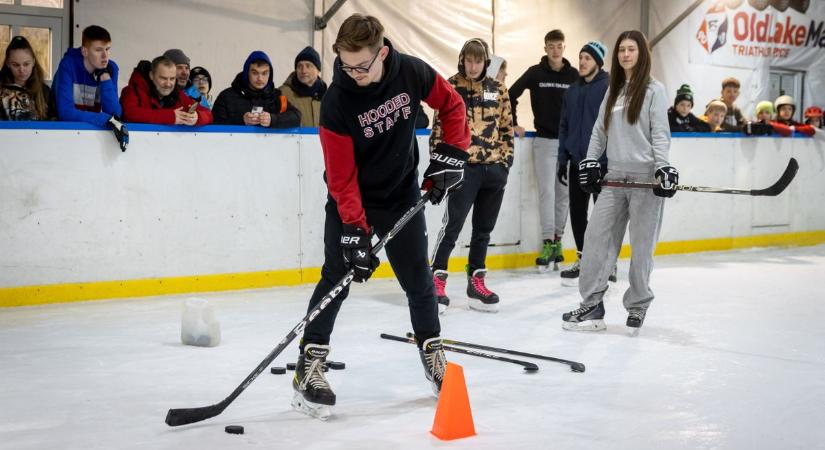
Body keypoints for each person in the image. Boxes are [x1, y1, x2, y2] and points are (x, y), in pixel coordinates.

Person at [292, 14, 470, 420]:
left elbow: (452, 104)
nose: (352, 73)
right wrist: (354, 229)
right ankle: (310, 364)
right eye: (345, 64)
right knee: (336, 278)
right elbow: (341, 176)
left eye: (361, 66)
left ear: (383, 53)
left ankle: (432, 351)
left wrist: (453, 153)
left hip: (401, 195)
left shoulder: (410, 71)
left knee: (419, 281)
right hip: (350, 201)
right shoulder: (337, 99)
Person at [561, 30, 677, 333]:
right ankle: (592, 305)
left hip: (645, 179)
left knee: (641, 247)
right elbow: (600, 130)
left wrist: (663, 168)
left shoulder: (654, 89)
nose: (626, 54)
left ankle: (638, 305)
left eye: (631, 49)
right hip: (614, 178)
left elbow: (660, 134)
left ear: (641, 53)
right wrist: (589, 160)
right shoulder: (613, 89)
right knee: (596, 239)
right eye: (622, 50)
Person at [429, 38, 513, 313]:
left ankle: (476, 283)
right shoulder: (450, 87)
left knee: (483, 231)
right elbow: (438, 130)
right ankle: (436, 280)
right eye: (469, 60)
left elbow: (506, 130)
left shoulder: (499, 89)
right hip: (463, 169)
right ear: (462, 60)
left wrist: (505, 164)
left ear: (485, 62)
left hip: (493, 171)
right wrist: (442, 167)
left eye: (478, 61)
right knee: (452, 227)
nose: (473, 66)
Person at [509, 29, 578, 271]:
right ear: (545, 48)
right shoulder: (535, 73)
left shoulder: (574, 75)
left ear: (564, 47)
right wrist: (513, 122)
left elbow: (585, 104)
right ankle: (547, 242)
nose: (555, 50)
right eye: (551, 46)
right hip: (545, 143)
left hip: (569, 145)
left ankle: (558, 242)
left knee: (564, 194)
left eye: (559, 46)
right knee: (547, 194)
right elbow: (510, 94)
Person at [557, 41, 611, 286]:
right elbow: (564, 126)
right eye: (580, 57)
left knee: (605, 217)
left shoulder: (610, 87)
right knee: (578, 214)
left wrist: (609, 159)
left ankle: (608, 263)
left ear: (598, 62)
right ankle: (583, 259)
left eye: (587, 58)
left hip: (602, 163)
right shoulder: (572, 91)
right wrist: (562, 159)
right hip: (577, 162)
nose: (582, 62)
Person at [52, 25, 127, 151]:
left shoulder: (111, 68)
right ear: (85, 51)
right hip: (64, 137)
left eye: (107, 49)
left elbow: (115, 114)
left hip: (93, 137)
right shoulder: (68, 64)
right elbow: (65, 112)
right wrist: (104, 119)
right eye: (98, 50)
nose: (105, 56)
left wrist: (105, 79)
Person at [212, 50, 301, 128]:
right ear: (246, 73)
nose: (260, 78)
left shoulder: (277, 96)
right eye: (255, 73)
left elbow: (296, 117)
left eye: (264, 73)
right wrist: (241, 120)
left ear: (270, 75)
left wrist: (273, 119)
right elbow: (214, 124)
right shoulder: (226, 97)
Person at [120, 56, 213, 126]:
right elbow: (130, 113)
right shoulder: (132, 90)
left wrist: (197, 117)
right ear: (151, 75)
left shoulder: (178, 95)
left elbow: (208, 114)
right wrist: (170, 117)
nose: (168, 84)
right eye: (163, 78)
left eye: (172, 79)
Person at [0, 35, 53, 121]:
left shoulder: (44, 92)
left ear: (33, 62)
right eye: (15, 65)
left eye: (26, 64)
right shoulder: (1, 88)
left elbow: (53, 123)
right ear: (7, 64)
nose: (21, 70)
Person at [279, 46, 327, 127]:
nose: (303, 71)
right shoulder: (282, 94)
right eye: (299, 66)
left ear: (318, 70)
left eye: (308, 66)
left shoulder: (327, 95)